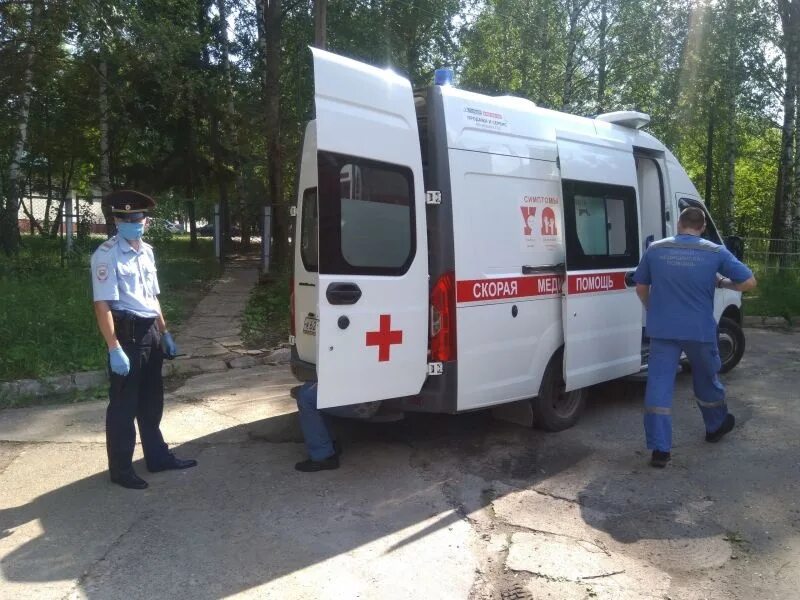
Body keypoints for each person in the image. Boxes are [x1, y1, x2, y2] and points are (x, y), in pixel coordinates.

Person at [633, 207, 756, 468]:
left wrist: (651, 308)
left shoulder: (655, 249)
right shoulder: (713, 251)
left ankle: (660, 450)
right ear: (701, 227)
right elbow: (748, 282)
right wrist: (723, 283)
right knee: (706, 378)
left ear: (679, 224)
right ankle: (715, 426)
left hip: (663, 330)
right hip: (699, 330)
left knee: (659, 385)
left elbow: (641, 285)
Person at [90, 190, 197, 489]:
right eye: (125, 219)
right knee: (124, 405)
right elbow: (102, 306)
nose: (133, 223)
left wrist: (165, 332)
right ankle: (121, 469)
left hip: (149, 331)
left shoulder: (147, 252)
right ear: (116, 220)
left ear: (146, 221)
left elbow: (152, 296)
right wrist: (114, 348)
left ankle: (157, 457)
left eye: (137, 219)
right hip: (126, 335)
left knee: (152, 401)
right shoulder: (106, 255)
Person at [292, 382, 340, 472]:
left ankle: (323, 455)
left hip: (362, 401)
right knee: (311, 388)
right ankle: (331, 445)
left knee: (306, 396)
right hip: (369, 393)